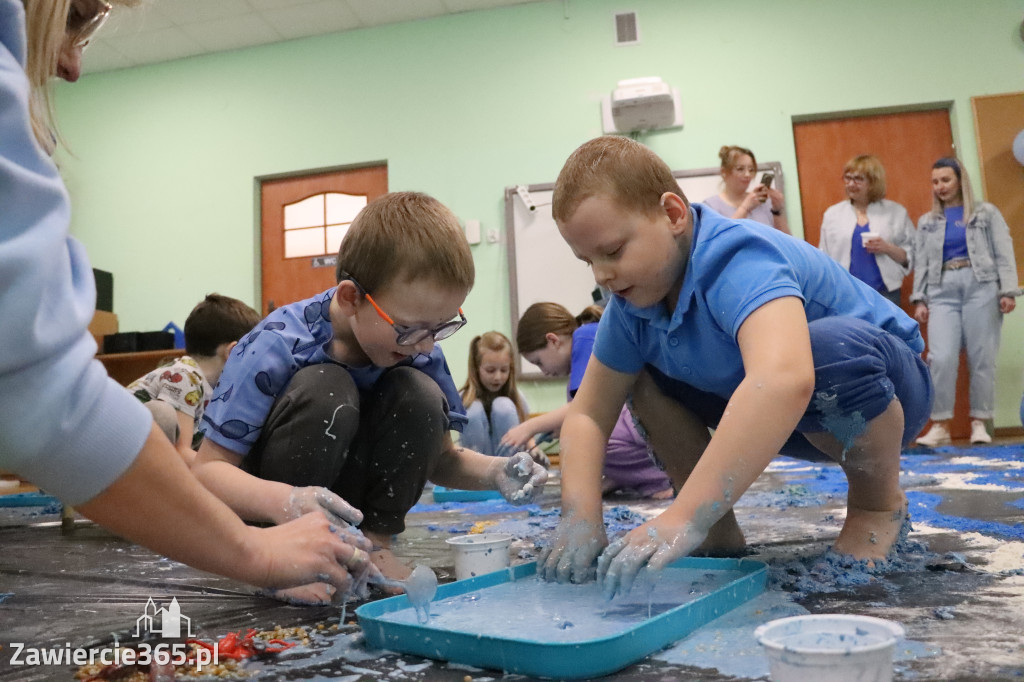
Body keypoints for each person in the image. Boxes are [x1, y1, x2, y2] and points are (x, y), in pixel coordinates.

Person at [1, 0, 371, 598]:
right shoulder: (208, 375)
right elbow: (40, 394)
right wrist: (252, 546)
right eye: (77, 16)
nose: (72, 66)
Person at [538, 136, 932, 598]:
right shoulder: (631, 307)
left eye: (613, 251)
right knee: (639, 376)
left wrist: (682, 515)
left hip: (888, 390)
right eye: (587, 261)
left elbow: (785, 379)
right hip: (792, 418)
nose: (601, 275)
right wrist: (581, 515)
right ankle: (716, 531)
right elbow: (587, 414)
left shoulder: (737, 257)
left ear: (672, 215)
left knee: (823, 349)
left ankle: (876, 506)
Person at [191, 191, 547, 602]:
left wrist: (496, 472)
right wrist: (285, 501)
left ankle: (374, 545)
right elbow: (207, 473)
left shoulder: (416, 344)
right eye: (412, 328)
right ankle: (290, 553)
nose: (427, 346)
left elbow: (442, 457)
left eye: (441, 328)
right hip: (275, 509)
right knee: (328, 388)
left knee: (419, 393)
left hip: (350, 506)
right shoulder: (274, 344)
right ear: (350, 298)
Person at [506, 302, 673, 499]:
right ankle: (630, 478)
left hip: (657, 419)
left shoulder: (585, 337)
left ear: (553, 340)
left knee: (586, 439)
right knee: (581, 433)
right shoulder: (577, 360)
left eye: (538, 362)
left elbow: (583, 408)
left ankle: (662, 478)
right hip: (649, 423)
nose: (543, 371)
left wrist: (530, 426)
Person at [911, 157, 1020, 446]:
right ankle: (941, 424)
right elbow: (921, 262)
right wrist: (919, 299)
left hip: (981, 286)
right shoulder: (927, 222)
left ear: (960, 180)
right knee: (941, 357)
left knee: (981, 357)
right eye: (935, 182)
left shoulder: (986, 214)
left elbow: (1003, 252)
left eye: (945, 180)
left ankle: (979, 423)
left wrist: (1008, 290)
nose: (940, 187)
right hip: (941, 289)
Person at [128, 294, 261, 465]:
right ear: (234, 352)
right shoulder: (185, 378)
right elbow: (180, 453)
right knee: (163, 414)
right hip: (115, 454)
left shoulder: (213, 390)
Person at [818, 155, 913, 307]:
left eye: (858, 179)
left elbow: (909, 257)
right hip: (846, 294)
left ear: (874, 182)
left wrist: (887, 248)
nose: (850, 184)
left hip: (886, 294)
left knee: (885, 332)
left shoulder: (896, 212)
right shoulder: (832, 215)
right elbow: (823, 257)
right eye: (847, 178)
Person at [458, 331, 533, 457]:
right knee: (472, 409)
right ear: (476, 368)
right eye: (490, 370)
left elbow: (526, 430)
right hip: (475, 469)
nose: (498, 377)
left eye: (504, 370)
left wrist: (534, 449)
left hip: (510, 467)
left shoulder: (517, 398)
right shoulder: (462, 399)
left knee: (503, 405)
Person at [702, 145, 790, 234]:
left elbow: (787, 240)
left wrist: (777, 210)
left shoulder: (762, 202)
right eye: (740, 169)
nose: (747, 174)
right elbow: (721, 239)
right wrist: (745, 207)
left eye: (751, 170)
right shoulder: (710, 206)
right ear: (724, 172)